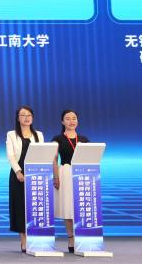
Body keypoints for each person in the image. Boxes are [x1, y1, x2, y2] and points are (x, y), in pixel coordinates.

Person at [5, 105, 44, 253]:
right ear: (18, 118)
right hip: (18, 174)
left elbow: (42, 153)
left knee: (35, 206)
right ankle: (24, 240)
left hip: (36, 173)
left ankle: (36, 237)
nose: (26, 118)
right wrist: (18, 171)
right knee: (21, 206)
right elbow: (11, 156)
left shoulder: (39, 135)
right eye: (23, 115)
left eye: (29, 115)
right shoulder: (11, 134)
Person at [53, 109, 91, 254]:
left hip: (82, 175)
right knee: (68, 208)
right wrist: (55, 176)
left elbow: (91, 158)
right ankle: (71, 238)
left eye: (74, 118)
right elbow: (54, 159)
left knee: (81, 207)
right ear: (62, 122)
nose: (71, 121)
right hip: (66, 173)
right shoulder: (57, 139)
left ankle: (83, 236)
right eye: (68, 118)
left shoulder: (84, 139)